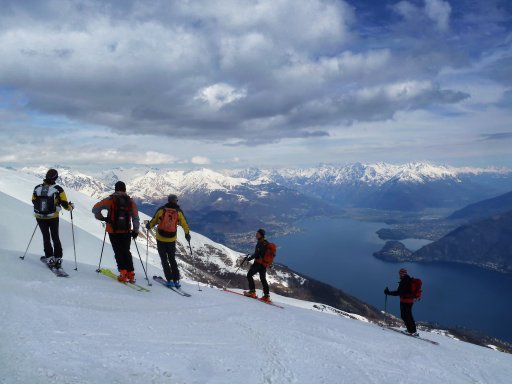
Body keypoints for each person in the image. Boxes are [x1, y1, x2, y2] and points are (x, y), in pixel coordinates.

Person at [92, 181, 140, 283]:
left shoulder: (110, 200)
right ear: (125, 189)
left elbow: (95, 209)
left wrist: (102, 218)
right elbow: (135, 217)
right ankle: (131, 274)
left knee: (118, 251)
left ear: (115, 189)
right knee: (126, 251)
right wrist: (136, 231)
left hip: (113, 230)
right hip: (126, 230)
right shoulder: (130, 202)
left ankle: (123, 273)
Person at [146, 194, 191, 288]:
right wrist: (187, 234)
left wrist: (149, 226)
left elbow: (154, 220)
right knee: (172, 259)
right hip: (171, 239)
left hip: (160, 238)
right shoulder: (178, 212)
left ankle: (169, 280)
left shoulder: (162, 210)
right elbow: (184, 224)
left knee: (164, 259)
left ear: (168, 200)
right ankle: (176, 280)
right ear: (176, 201)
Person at [32, 168, 74, 269]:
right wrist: (70, 207)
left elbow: (34, 201)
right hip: (53, 216)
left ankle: (49, 258)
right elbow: (64, 203)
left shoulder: (37, 188)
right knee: (55, 237)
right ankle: (58, 258)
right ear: (55, 178)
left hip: (40, 217)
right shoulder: (58, 189)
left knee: (46, 237)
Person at [384, 268, 418, 336]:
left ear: (403, 274)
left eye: (400, 273)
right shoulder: (407, 279)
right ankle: (411, 330)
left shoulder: (404, 281)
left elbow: (399, 292)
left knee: (405, 316)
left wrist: (388, 292)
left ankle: (411, 331)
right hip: (408, 301)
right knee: (408, 315)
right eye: (400, 273)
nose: (400, 274)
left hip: (406, 301)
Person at [243, 229, 272, 303]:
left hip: (258, 263)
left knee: (249, 275)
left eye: (257, 233)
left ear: (261, 235)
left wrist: (249, 259)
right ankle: (266, 296)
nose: (256, 235)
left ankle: (252, 292)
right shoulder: (266, 243)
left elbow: (256, 254)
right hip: (264, 264)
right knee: (263, 279)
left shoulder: (260, 243)